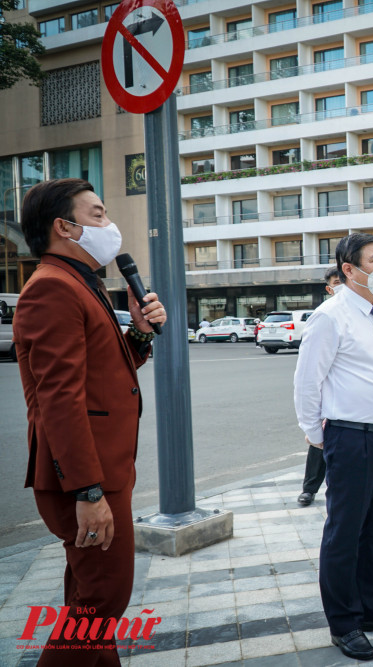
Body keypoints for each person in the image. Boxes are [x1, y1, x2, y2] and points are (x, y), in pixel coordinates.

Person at [14, 178, 167, 666]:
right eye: (98, 214)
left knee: (88, 599)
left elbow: (104, 376)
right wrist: (88, 493)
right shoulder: (53, 290)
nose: (110, 224)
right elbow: (60, 400)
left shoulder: (84, 281)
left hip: (104, 470)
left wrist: (139, 337)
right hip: (86, 477)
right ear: (65, 227)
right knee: (101, 604)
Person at [293, 233, 373, 661]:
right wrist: (318, 435)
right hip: (351, 438)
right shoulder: (331, 316)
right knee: (344, 534)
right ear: (349, 269)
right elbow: (307, 382)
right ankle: (344, 623)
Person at [297, 267, 344, 507]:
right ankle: (309, 488)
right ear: (329, 289)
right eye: (337, 282)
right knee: (317, 442)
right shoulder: (324, 316)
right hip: (325, 396)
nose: (342, 285)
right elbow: (308, 372)